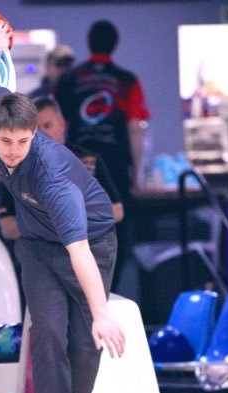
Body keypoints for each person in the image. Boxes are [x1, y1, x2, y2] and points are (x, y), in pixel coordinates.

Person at [0, 15, 125, 393]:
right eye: (7, 140)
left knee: (83, 342)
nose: (13, 151)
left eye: (24, 141)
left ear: (34, 135)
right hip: (37, 246)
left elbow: (78, 251)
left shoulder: (52, 178)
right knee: (46, 333)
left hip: (90, 244)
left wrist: (102, 314)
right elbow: (0, 80)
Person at [55, 20, 150, 291]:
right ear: (115, 44)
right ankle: (107, 293)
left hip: (74, 167)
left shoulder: (69, 79)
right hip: (116, 167)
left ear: (89, 43)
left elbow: (54, 124)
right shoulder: (127, 81)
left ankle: (78, 292)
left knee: (74, 228)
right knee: (115, 232)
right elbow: (135, 129)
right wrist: (137, 174)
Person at [0, 96, 124, 240]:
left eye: (48, 126)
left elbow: (116, 211)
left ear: (62, 124)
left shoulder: (89, 161)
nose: (42, 134)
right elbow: (7, 228)